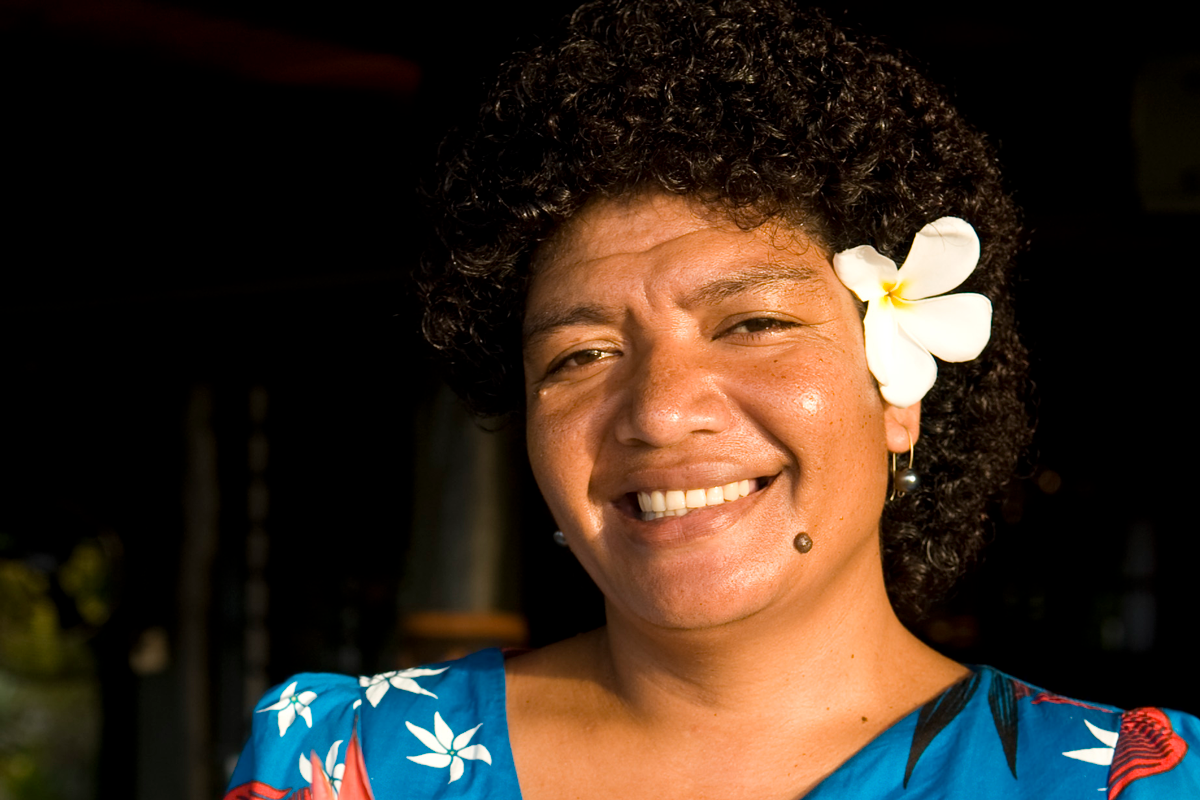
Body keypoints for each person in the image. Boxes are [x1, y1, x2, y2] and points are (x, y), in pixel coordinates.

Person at [225, 1, 1199, 798]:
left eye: (753, 324)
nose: (656, 409)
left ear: (898, 390)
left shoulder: (1135, 781)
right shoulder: (346, 762)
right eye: (581, 354)